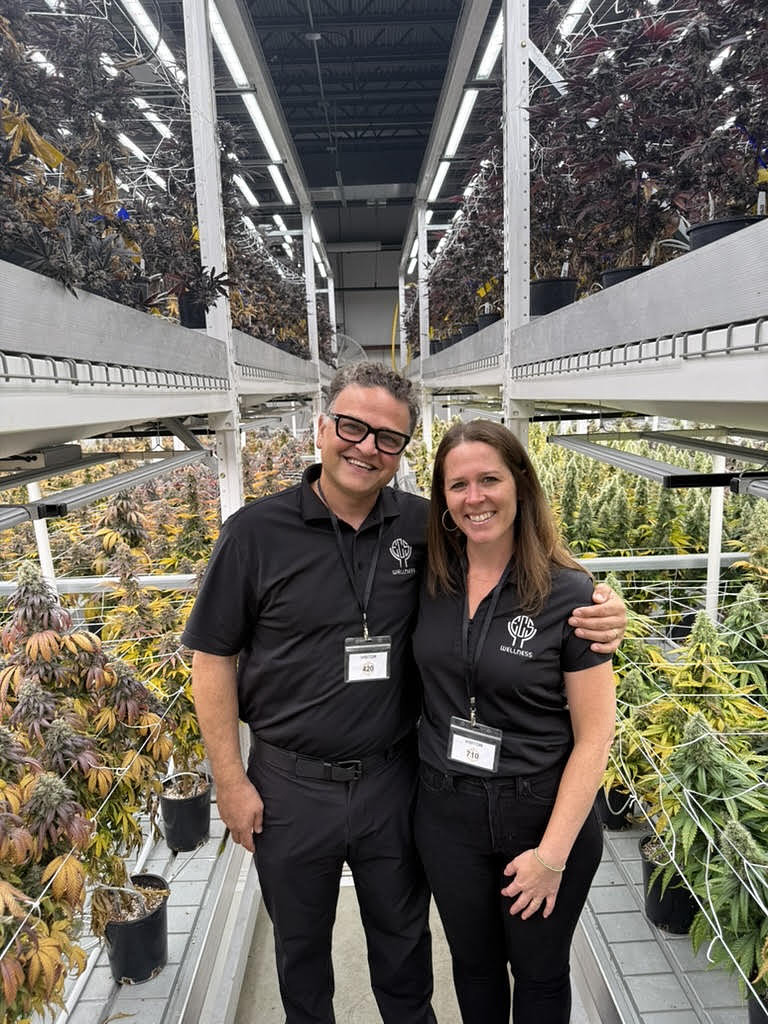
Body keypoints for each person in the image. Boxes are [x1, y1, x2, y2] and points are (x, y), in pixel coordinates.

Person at [181, 365, 624, 1024]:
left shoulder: (425, 529)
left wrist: (604, 606)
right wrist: (230, 781)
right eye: (353, 428)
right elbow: (211, 660)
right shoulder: (254, 533)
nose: (367, 447)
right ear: (322, 428)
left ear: (403, 453)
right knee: (300, 954)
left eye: (388, 439)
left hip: (395, 781)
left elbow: (517, 558)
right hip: (288, 787)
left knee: (405, 946)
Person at [412, 419, 617, 1024]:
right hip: (446, 815)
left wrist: (550, 857)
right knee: (472, 970)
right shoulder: (426, 579)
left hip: (540, 813)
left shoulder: (569, 593)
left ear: (521, 486)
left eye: (489, 480)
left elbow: (595, 734)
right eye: (458, 485)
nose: (475, 498)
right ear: (443, 500)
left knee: (540, 974)